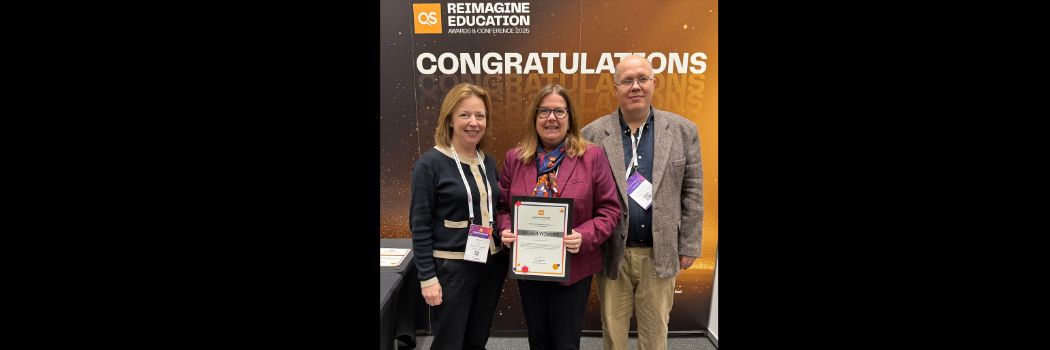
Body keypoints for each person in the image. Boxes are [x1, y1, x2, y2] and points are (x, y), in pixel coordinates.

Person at [581, 55, 704, 350]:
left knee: (655, 334)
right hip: (613, 252)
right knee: (613, 333)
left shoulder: (683, 131)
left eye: (642, 79)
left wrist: (688, 245)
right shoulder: (592, 134)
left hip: (660, 253)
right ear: (615, 87)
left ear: (653, 83)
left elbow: (693, 191)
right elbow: (584, 195)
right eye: (627, 80)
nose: (635, 86)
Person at [496, 84, 621, 350]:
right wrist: (505, 230)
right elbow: (502, 208)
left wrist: (584, 236)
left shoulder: (592, 157)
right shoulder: (515, 158)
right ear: (535, 118)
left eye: (559, 111)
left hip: (573, 269)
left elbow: (609, 210)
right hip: (529, 267)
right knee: (538, 339)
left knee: (566, 342)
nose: (551, 118)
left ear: (570, 118)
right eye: (544, 111)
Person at [409, 82, 508, 350]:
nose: (473, 122)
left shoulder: (486, 161)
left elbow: (496, 209)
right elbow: (419, 226)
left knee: (477, 338)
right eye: (465, 115)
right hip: (452, 268)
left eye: (480, 115)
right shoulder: (429, 164)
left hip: (490, 265)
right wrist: (427, 278)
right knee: (449, 341)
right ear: (450, 119)